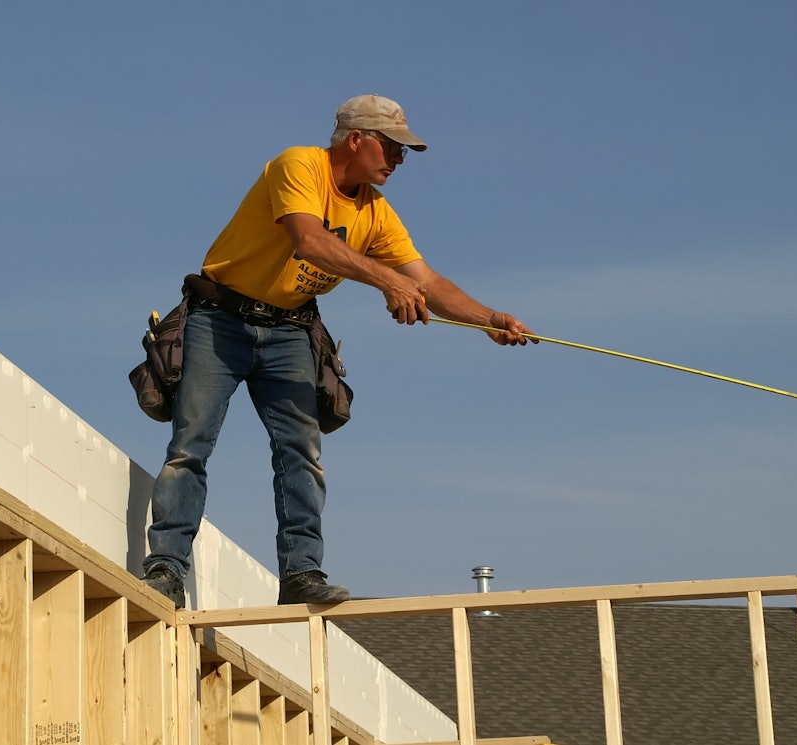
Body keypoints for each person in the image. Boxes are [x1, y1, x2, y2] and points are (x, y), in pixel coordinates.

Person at [142, 94, 534, 608]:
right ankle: (166, 569)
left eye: (404, 153)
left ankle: (301, 574)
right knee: (191, 445)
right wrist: (386, 281)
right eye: (392, 149)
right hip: (221, 320)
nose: (398, 161)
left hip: (289, 332)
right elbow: (309, 240)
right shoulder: (298, 165)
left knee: (302, 453)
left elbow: (428, 281)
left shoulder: (375, 212)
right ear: (357, 139)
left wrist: (489, 319)